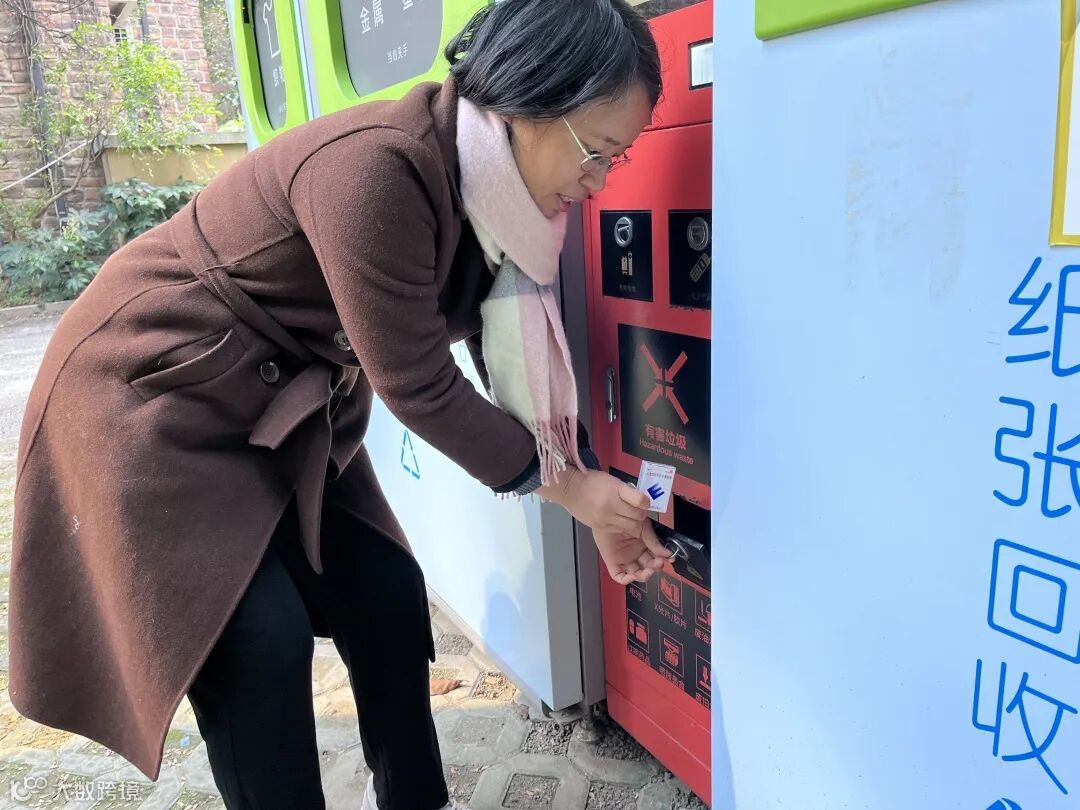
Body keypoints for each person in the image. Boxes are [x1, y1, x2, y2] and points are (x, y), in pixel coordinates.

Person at [8, 1, 667, 807]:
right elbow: (419, 384)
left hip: (278, 397)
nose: (600, 183)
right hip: (154, 393)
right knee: (260, 643)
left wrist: (586, 488)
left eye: (618, 158)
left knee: (387, 590)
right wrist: (577, 492)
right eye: (595, 151)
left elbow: (509, 366)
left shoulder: (500, 202)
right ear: (527, 99)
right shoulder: (377, 167)